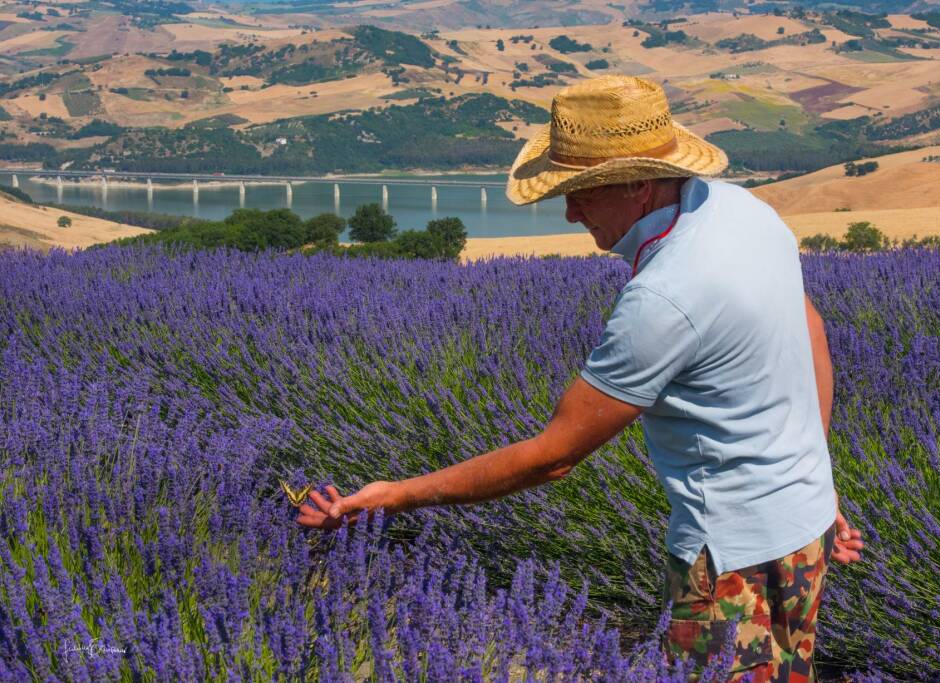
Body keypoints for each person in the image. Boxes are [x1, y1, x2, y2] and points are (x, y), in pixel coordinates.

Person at [297, 75, 864, 681]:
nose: (569, 209)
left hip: (731, 561)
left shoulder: (665, 298)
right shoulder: (746, 212)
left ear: (641, 184)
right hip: (807, 531)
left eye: (584, 192)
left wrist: (392, 496)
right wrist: (813, 479)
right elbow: (812, 333)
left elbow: (553, 457)